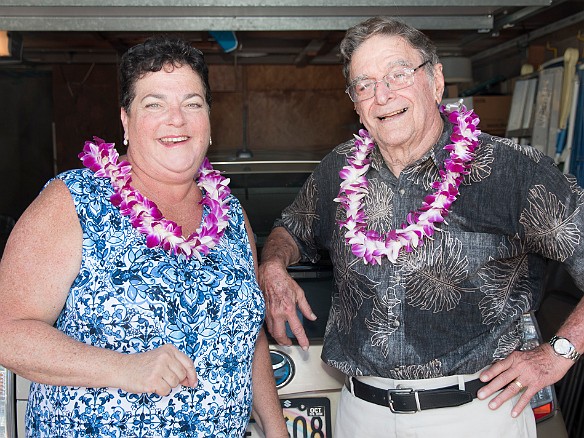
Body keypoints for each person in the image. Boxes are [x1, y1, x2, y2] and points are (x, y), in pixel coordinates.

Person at [258, 16, 584, 438]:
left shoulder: (511, 171)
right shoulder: (337, 170)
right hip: (361, 413)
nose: (383, 95)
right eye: (365, 84)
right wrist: (273, 267)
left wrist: (558, 353)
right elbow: (290, 230)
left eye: (398, 74)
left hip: (477, 412)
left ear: (435, 80)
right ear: (355, 103)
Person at [0, 36, 288, 437]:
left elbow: (245, 335)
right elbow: (8, 332)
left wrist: (276, 429)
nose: (177, 119)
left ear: (208, 120)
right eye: (154, 104)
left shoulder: (230, 217)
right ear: (126, 122)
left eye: (192, 103)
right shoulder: (74, 203)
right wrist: (123, 368)